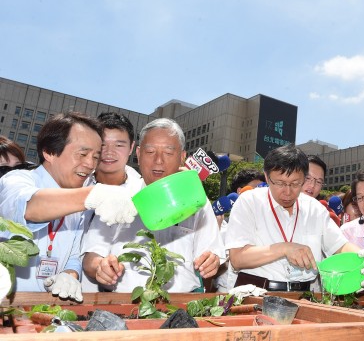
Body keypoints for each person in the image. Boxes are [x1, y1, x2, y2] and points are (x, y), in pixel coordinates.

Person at [0, 112, 137, 302]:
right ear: (49, 152)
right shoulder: (16, 180)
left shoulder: (79, 197)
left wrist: (70, 274)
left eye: (95, 156)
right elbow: (30, 206)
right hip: (7, 306)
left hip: (49, 309)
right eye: (82, 154)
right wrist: (94, 195)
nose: (90, 164)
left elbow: (74, 255)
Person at [82, 118, 225, 293]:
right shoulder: (118, 196)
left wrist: (211, 261)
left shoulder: (196, 201)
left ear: (182, 157)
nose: (158, 160)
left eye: (168, 153)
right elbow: (91, 256)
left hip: (182, 304)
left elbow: (212, 253)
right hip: (125, 303)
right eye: (150, 152)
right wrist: (101, 267)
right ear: (138, 153)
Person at [226, 144, 364, 292]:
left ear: (304, 178)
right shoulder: (249, 202)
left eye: (295, 183)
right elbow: (237, 258)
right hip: (256, 293)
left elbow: (340, 246)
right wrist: (284, 248)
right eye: (280, 183)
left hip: (302, 296)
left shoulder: (314, 209)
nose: (287, 191)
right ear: (266, 176)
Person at [81, 112, 143, 292]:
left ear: (131, 147)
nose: (109, 152)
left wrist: (102, 267)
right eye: (102, 144)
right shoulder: (75, 182)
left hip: (113, 295)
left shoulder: (140, 192)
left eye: (119, 145)